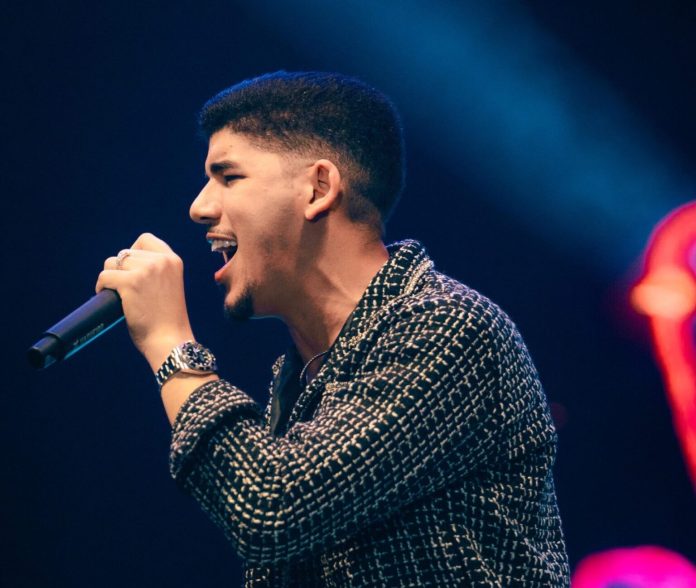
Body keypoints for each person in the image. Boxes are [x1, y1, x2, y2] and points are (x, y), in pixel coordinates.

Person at [96, 71, 570, 587]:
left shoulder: (450, 327)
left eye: (228, 177)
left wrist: (169, 342)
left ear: (318, 188)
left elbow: (271, 507)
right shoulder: (301, 381)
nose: (199, 207)